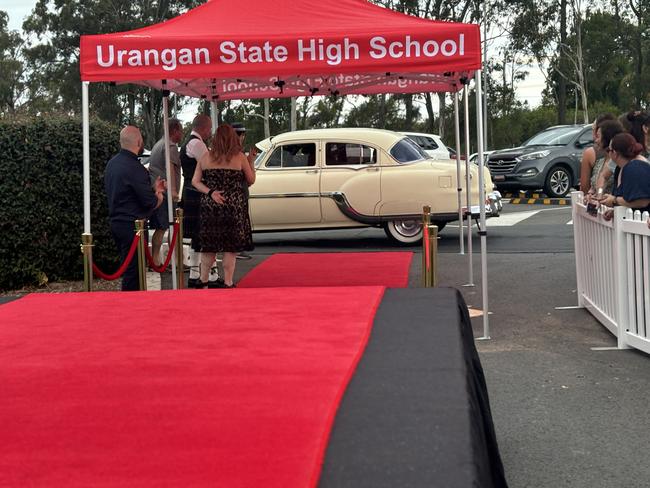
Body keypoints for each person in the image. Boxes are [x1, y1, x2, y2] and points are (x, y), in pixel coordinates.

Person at [192, 124, 255, 288]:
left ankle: (204, 280)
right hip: (233, 206)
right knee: (230, 248)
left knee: (208, 247)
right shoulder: (239, 157)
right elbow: (250, 180)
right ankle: (228, 282)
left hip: (210, 206)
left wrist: (210, 192)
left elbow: (195, 181)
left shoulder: (206, 157)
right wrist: (251, 161)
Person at [104, 126, 165, 291]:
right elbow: (148, 203)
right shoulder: (136, 168)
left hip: (116, 223)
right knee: (134, 273)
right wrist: (158, 195)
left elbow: (126, 193)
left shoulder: (111, 164)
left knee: (129, 268)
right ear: (139, 142)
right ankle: (130, 306)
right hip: (134, 227)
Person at [179, 114, 221, 287]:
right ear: (203, 128)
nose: (210, 132)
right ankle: (206, 276)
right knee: (203, 234)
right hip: (197, 192)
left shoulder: (191, 142)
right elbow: (210, 165)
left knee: (197, 235)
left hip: (191, 190)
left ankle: (196, 275)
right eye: (209, 128)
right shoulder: (197, 144)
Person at [147, 118, 183, 267]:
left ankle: (155, 260)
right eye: (180, 130)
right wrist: (174, 191)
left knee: (160, 228)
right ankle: (171, 262)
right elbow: (172, 170)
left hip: (157, 190)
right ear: (174, 130)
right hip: (166, 192)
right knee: (165, 228)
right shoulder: (170, 147)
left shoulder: (157, 145)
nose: (181, 134)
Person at [600, 133, 650, 214]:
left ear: (615, 153)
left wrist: (614, 200)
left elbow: (642, 201)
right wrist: (615, 211)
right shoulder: (621, 168)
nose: (608, 153)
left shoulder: (635, 167)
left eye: (609, 150)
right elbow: (627, 201)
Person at [231, 122, 258, 261]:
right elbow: (250, 179)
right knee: (239, 222)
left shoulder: (224, 153)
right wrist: (251, 162)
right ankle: (237, 249)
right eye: (241, 134)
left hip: (232, 193)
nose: (242, 137)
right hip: (240, 193)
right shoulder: (238, 153)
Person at [580, 113, 615, 194]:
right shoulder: (606, 159)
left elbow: (584, 188)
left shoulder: (616, 160)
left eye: (595, 132)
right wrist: (592, 194)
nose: (594, 138)